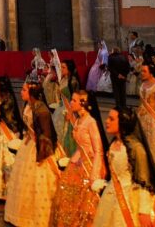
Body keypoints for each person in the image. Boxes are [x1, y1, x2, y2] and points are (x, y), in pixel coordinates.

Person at [92, 107, 155, 227]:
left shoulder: (136, 148)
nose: (107, 121)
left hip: (131, 198)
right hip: (112, 196)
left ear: (123, 123)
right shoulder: (114, 143)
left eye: (111, 119)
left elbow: (144, 181)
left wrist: (144, 211)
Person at [3, 82, 58, 226]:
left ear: (32, 93)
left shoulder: (41, 109)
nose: (21, 92)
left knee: (38, 183)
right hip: (29, 144)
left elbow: (46, 135)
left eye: (24, 90)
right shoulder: (27, 106)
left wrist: (41, 155)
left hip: (40, 149)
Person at [49, 90, 106, 227]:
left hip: (89, 166)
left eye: (74, 100)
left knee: (84, 202)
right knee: (67, 195)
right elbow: (80, 142)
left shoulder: (91, 122)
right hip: (77, 161)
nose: (71, 103)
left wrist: (94, 174)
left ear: (83, 104)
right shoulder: (80, 119)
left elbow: (98, 150)